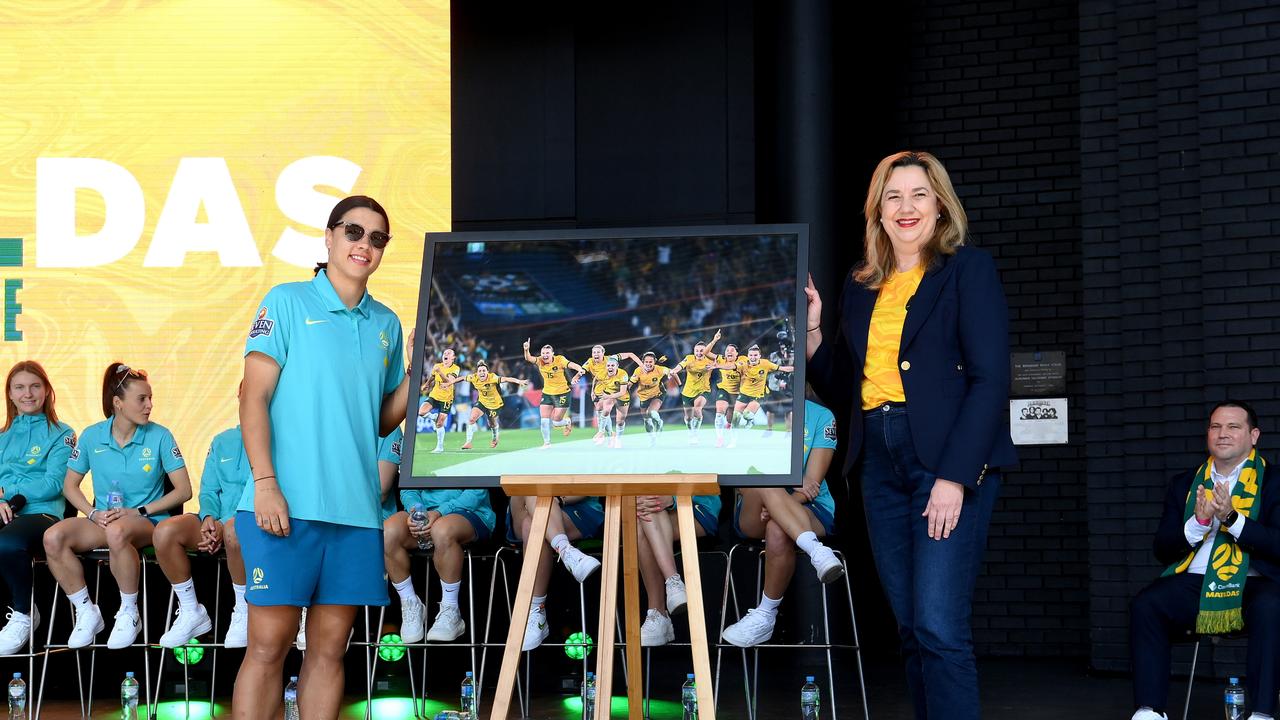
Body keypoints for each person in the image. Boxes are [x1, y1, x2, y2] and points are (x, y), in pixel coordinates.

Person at [805, 150, 1016, 720]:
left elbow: (991, 378)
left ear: (940, 204)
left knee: (939, 625)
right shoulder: (861, 284)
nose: (906, 207)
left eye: (919, 194)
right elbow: (846, 384)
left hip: (946, 461)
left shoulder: (967, 270)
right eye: (893, 196)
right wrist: (814, 330)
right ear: (877, 209)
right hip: (879, 459)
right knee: (910, 628)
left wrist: (954, 475)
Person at [232, 195, 411, 720]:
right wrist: (265, 484)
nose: (365, 245)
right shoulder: (286, 302)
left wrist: (417, 376)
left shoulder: (387, 324)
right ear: (329, 237)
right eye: (354, 232)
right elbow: (253, 397)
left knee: (330, 652)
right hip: (284, 506)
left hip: (356, 514)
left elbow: (375, 420)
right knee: (268, 647)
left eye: (377, 238)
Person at [1129, 402, 1280, 720]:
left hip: (1255, 582)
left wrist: (1232, 518)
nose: (1222, 434)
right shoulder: (1186, 483)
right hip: (1195, 581)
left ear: (1254, 436)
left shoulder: (1274, 481)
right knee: (1148, 603)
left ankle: (1263, 712)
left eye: (1233, 427)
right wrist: (1198, 523)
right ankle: (1150, 710)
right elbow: (1162, 549)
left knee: (1271, 606)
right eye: (1215, 427)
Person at [43, 363, 192, 650]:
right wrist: (92, 512)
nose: (149, 405)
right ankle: (86, 610)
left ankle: (128, 612)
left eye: (150, 399)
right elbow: (69, 486)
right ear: (118, 403)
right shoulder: (91, 436)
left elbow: (184, 490)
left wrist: (141, 511)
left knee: (118, 532)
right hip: (106, 522)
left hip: (149, 521)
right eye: (142, 399)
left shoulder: (160, 435)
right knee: (53, 537)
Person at [720, 398, 842, 647]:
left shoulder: (821, 415)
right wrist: (775, 499)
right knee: (765, 480)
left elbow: (811, 484)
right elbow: (741, 478)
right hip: (756, 506)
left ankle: (765, 614)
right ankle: (816, 551)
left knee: (778, 528)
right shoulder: (747, 409)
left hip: (809, 506)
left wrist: (778, 508)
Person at [152, 399, 253, 649]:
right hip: (218, 520)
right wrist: (209, 518)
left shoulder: (283, 438)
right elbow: (208, 490)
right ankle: (191, 611)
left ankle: (243, 609)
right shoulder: (222, 441)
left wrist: (225, 524)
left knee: (233, 529)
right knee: (165, 532)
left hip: (252, 522)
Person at [0, 361, 75, 655]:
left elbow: (53, 483)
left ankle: (24, 613)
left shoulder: (62, 433)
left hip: (43, 514)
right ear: (10, 393)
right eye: (19, 387)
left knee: (5, 542)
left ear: (46, 391)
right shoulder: (2, 436)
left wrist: (8, 494)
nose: (27, 394)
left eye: (35, 386)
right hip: (6, 511)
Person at [387, 479, 495, 643]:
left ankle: (451, 609)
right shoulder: (413, 451)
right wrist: (416, 510)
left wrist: (439, 512)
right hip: (426, 515)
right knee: (388, 533)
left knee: (442, 530)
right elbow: (408, 488)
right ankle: (410, 603)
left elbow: (478, 490)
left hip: (470, 511)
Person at [507, 495, 603, 650]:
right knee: (535, 492)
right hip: (524, 509)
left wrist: (558, 498)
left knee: (533, 525)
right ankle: (566, 551)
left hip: (577, 506)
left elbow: (596, 478)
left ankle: (535, 610)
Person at [635, 492, 721, 646]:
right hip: (650, 510)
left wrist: (673, 498)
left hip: (696, 505)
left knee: (648, 510)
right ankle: (673, 583)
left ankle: (657, 612)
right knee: (646, 511)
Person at [521, 340, 586, 449]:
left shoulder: (560, 359)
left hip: (562, 393)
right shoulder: (540, 361)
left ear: (552, 354)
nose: (545, 355)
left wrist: (579, 369)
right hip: (547, 393)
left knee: (556, 422)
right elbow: (528, 358)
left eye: (547, 353)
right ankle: (547, 443)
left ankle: (567, 421)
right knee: (544, 420)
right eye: (543, 353)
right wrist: (526, 349)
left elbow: (571, 364)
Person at [456, 362, 527, 450]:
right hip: (482, 402)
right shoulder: (473, 377)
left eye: (484, 370)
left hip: (494, 404)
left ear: (487, 372)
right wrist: (450, 382)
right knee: (471, 418)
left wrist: (519, 381)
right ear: (477, 373)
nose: (481, 372)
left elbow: (506, 379)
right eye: (480, 371)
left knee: (492, 423)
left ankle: (495, 437)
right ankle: (468, 442)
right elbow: (462, 378)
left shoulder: (492, 377)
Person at [670, 329, 723, 445]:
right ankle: (691, 432)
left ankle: (695, 434)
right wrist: (674, 370)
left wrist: (714, 340)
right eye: (697, 351)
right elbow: (680, 365)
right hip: (688, 391)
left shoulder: (710, 360)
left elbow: (723, 362)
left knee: (697, 409)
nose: (699, 353)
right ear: (694, 351)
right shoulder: (689, 358)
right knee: (688, 418)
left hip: (703, 390)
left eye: (701, 351)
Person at [732, 345, 794, 437]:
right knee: (737, 417)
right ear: (748, 355)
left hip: (763, 393)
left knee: (788, 410)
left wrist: (798, 368)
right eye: (751, 355)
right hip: (753, 392)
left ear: (760, 356)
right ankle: (768, 430)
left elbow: (782, 368)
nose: (753, 357)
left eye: (755, 355)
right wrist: (718, 366)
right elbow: (730, 366)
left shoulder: (766, 363)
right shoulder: (743, 364)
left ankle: (788, 432)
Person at [623, 352, 673, 447]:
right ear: (643, 362)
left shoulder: (659, 369)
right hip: (644, 397)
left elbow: (668, 371)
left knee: (652, 412)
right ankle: (652, 438)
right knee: (646, 420)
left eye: (651, 362)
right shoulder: (638, 370)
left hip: (658, 394)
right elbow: (630, 384)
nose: (649, 364)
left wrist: (670, 373)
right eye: (646, 362)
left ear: (654, 362)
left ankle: (659, 422)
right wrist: (623, 389)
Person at [420, 348, 461, 454]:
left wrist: (440, 373)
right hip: (434, 395)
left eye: (449, 353)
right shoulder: (437, 366)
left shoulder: (455, 368)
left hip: (446, 399)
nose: (446, 354)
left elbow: (450, 382)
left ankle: (440, 447)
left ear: (453, 358)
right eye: (444, 353)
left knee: (439, 424)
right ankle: (433, 417)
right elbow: (432, 376)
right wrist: (427, 384)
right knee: (421, 412)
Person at [595, 356, 631, 448]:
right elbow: (596, 379)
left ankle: (618, 439)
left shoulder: (623, 374)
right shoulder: (602, 373)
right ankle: (601, 432)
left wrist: (608, 396)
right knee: (606, 410)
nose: (610, 367)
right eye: (608, 365)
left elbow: (622, 392)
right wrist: (592, 391)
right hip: (609, 393)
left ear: (617, 366)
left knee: (620, 421)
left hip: (622, 397)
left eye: (612, 365)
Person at [710, 344, 741, 447]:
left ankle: (733, 437)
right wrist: (715, 340)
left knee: (730, 419)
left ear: (737, 353)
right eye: (727, 350)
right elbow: (706, 353)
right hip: (724, 390)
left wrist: (718, 366)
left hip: (737, 393)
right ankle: (719, 438)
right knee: (719, 414)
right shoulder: (721, 359)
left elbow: (731, 367)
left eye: (732, 350)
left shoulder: (743, 360)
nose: (729, 352)